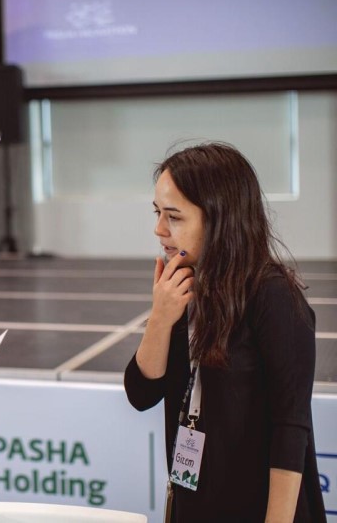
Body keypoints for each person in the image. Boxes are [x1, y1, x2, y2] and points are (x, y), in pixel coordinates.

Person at [124, 143, 326, 522]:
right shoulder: (183, 289)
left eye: (174, 217)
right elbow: (141, 393)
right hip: (197, 503)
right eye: (157, 213)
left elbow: (290, 428)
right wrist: (160, 317)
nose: (159, 229)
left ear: (219, 218)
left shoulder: (273, 296)